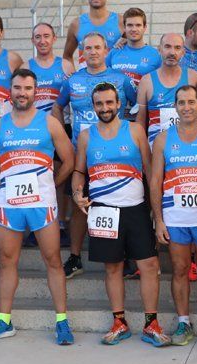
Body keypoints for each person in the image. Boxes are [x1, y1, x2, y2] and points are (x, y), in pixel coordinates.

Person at [0, 69, 76, 344]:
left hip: (41, 204)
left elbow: (69, 160)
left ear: (35, 91)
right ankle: (4, 321)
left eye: (28, 88)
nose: (22, 93)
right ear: (11, 90)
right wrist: (2, 183)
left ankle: (62, 322)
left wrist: (52, 184)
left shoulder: (50, 123)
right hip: (10, 206)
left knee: (53, 260)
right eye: (18, 88)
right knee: (7, 261)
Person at [72, 83, 170, 347]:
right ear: (93, 106)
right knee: (113, 267)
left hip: (135, 208)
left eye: (109, 103)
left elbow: (151, 173)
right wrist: (76, 192)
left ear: (119, 104)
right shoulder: (85, 136)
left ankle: (151, 324)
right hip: (103, 210)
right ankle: (119, 322)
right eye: (99, 104)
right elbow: (79, 172)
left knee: (148, 265)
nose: (105, 108)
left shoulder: (136, 130)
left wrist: (155, 211)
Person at [53, 32, 136, 280]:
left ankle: (129, 257)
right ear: (82, 51)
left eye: (97, 47)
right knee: (80, 206)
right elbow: (58, 106)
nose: (92, 52)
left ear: (106, 50)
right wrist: (64, 136)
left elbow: (137, 105)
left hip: (115, 157)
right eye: (87, 48)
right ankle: (76, 257)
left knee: (122, 204)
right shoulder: (72, 80)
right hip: (83, 156)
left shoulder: (120, 79)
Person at [150, 85, 197, 347]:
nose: (187, 107)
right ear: (176, 106)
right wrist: (158, 219)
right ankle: (184, 322)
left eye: (191, 102)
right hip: (175, 215)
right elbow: (156, 179)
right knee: (180, 269)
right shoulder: (163, 139)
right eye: (181, 103)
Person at [28, 22, 72, 249]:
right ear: (33, 40)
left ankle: (61, 223)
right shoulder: (27, 67)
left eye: (46, 36)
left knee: (61, 177)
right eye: (38, 37)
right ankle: (36, 224)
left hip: (59, 127)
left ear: (54, 38)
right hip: (34, 129)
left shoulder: (65, 65)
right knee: (36, 176)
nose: (42, 40)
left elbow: (74, 94)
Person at [135, 33, 197, 145]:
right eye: (167, 46)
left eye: (177, 48)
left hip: (187, 148)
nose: (172, 52)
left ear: (183, 52)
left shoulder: (194, 77)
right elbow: (140, 122)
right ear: (159, 49)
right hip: (156, 149)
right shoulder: (146, 81)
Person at [62, 0, 123, 75]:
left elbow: (134, 45)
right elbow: (67, 56)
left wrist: (125, 40)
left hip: (113, 83)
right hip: (87, 84)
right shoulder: (76, 24)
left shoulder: (120, 21)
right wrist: (73, 78)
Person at [106, 7, 162, 91]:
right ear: (124, 28)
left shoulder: (155, 55)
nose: (134, 29)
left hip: (143, 103)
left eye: (138, 25)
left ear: (145, 27)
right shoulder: (114, 52)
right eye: (130, 25)